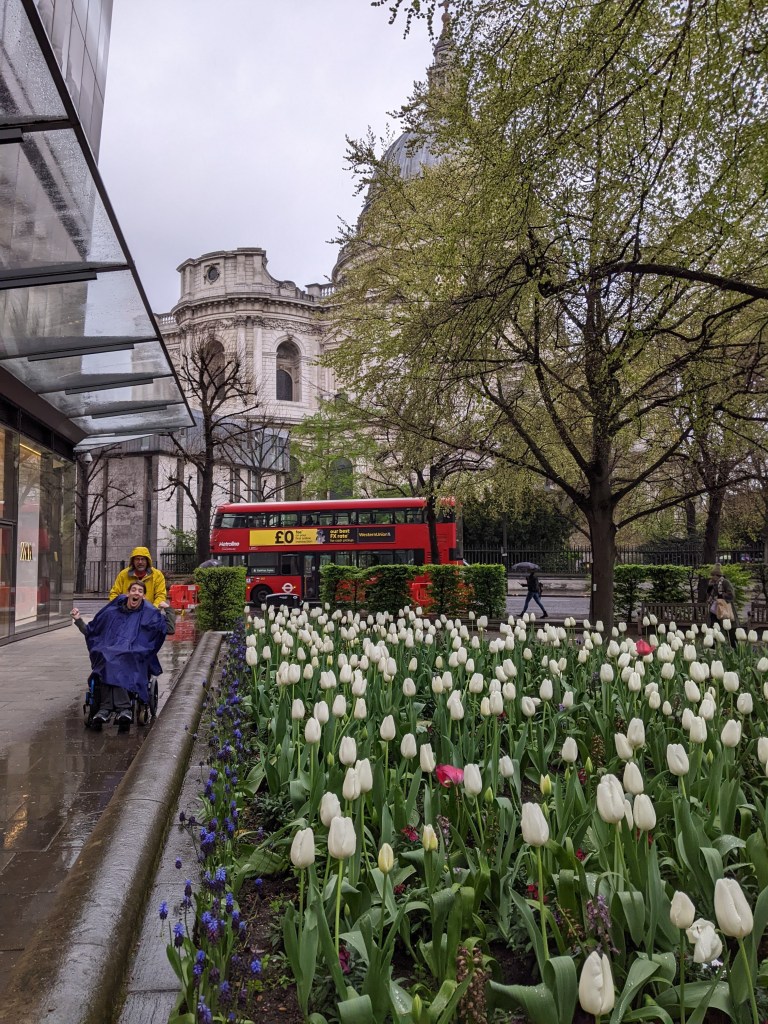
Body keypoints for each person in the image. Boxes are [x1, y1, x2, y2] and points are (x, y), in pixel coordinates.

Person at [72, 581, 175, 731]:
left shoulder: (148, 613)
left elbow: (169, 629)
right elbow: (92, 631)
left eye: (140, 591)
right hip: (111, 652)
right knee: (108, 657)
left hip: (134, 653)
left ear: (144, 596)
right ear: (128, 593)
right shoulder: (112, 612)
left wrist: (169, 610)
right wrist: (78, 619)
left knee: (120, 659)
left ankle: (115, 708)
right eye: (133, 590)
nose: (136, 593)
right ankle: (115, 708)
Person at [706, 564, 736, 645]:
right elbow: (709, 594)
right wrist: (710, 586)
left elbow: (731, 595)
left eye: (712, 575)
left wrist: (720, 596)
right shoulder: (713, 583)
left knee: (728, 627)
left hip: (724, 608)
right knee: (713, 626)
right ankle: (713, 645)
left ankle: (734, 645)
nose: (711, 577)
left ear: (717, 575)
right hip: (714, 608)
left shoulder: (725, 582)